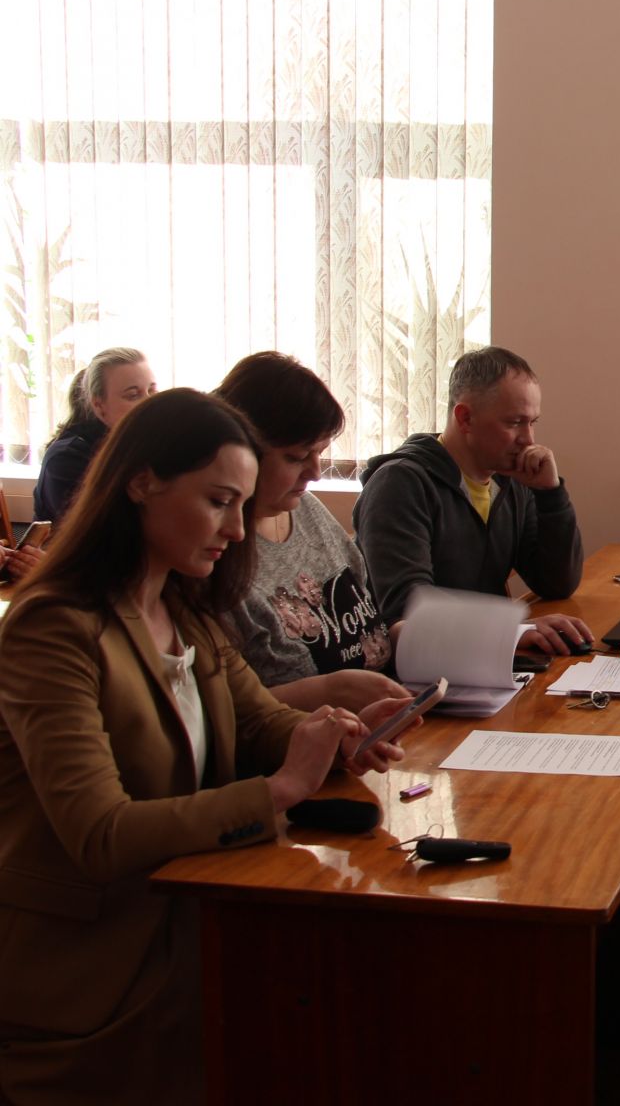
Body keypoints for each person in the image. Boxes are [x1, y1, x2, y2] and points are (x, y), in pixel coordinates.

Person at [0, 388, 410, 1104]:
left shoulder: (182, 606)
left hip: (188, 926)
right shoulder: (53, 629)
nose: (235, 529)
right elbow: (100, 834)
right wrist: (278, 790)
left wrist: (333, 739)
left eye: (242, 506)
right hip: (93, 973)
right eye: (219, 502)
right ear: (141, 482)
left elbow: (257, 721)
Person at [354, 345, 591, 655]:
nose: (528, 439)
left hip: (490, 656)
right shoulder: (400, 484)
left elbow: (556, 584)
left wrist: (550, 495)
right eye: (514, 422)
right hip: (421, 668)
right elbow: (409, 607)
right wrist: (510, 631)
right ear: (465, 418)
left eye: (532, 422)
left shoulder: (510, 481)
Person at [214, 352, 406, 711]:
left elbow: (368, 630)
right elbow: (223, 709)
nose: (316, 472)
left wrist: (424, 638)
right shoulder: (212, 550)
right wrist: (327, 692)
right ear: (244, 451)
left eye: (320, 453)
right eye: (296, 457)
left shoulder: (305, 507)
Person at [33, 347, 158, 523]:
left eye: (152, 391)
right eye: (133, 395)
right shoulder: (66, 458)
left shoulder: (150, 443)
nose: (149, 402)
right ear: (99, 405)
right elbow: (102, 533)